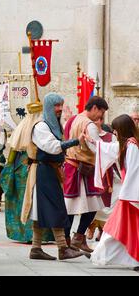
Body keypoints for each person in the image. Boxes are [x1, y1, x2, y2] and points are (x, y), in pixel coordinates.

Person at [21, 93, 85, 261]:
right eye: (57, 105)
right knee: (56, 208)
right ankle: (62, 248)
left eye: (61, 105)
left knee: (41, 210)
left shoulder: (54, 126)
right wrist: (75, 141)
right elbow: (53, 147)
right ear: (49, 106)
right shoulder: (41, 126)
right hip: (43, 172)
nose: (59, 109)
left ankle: (36, 248)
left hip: (50, 171)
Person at [89, 114, 139, 270]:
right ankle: (101, 254)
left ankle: (100, 254)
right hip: (129, 194)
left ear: (121, 130)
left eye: (116, 131)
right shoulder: (126, 145)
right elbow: (108, 148)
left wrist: (128, 194)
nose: (114, 134)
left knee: (117, 227)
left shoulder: (131, 146)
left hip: (130, 195)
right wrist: (93, 142)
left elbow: (133, 171)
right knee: (120, 227)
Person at [1, 102, 53, 243]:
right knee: (36, 201)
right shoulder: (41, 127)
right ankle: (38, 235)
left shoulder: (21, 127)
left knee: (22, 201)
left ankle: (24, 234)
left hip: (19, 169)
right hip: (35, 167)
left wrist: (9, 167)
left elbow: (12, 152)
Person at [63, 96, 109, 252]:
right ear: (94, 108)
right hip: (82, 169)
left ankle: (71, 241)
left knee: (72, 206)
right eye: (100, 112)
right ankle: (74, 239)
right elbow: (97, 148)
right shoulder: (89, 125)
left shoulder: (74, 119)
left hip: (73, 166)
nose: (100, 117)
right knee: (91, 206)